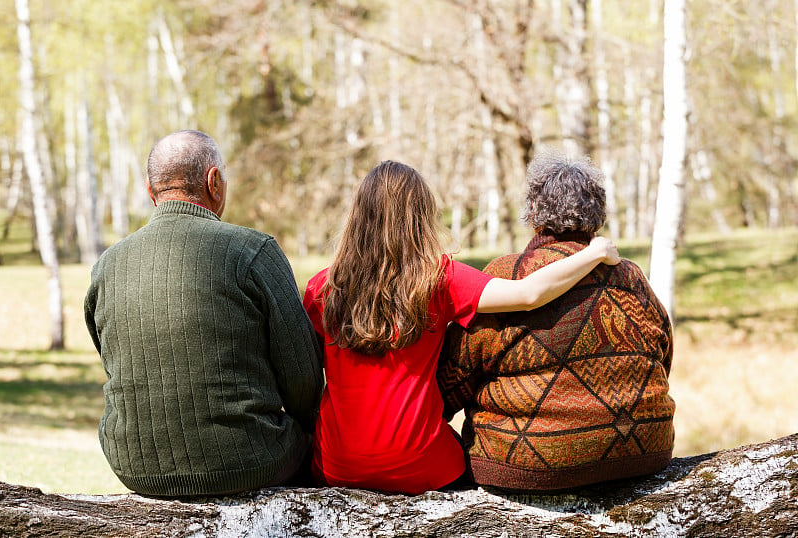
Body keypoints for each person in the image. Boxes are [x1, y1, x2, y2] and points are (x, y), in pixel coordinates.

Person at [301, 160, 620, 495]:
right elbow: (529, 294)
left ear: (358, 216)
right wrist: (593, 253)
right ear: (420, 217)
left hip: (337, 466)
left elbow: (303, 378)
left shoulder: (321, 288)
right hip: (421, 465)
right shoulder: (437, 278)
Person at [84, 130, 324, 497]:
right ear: (215, 182)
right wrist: (306, 429)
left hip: (134, 466)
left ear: (152, 192)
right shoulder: (253, 251)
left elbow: (113, 360)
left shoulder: (107, 265)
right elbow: (303, 378)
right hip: (248, 459)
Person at [437, 149, 675, 492]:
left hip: (528, 463)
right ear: (598, 216)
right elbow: (662, 357)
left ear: (533, 212)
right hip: (646, 450)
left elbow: (453, 378)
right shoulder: (631, 276)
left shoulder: (509, 276)